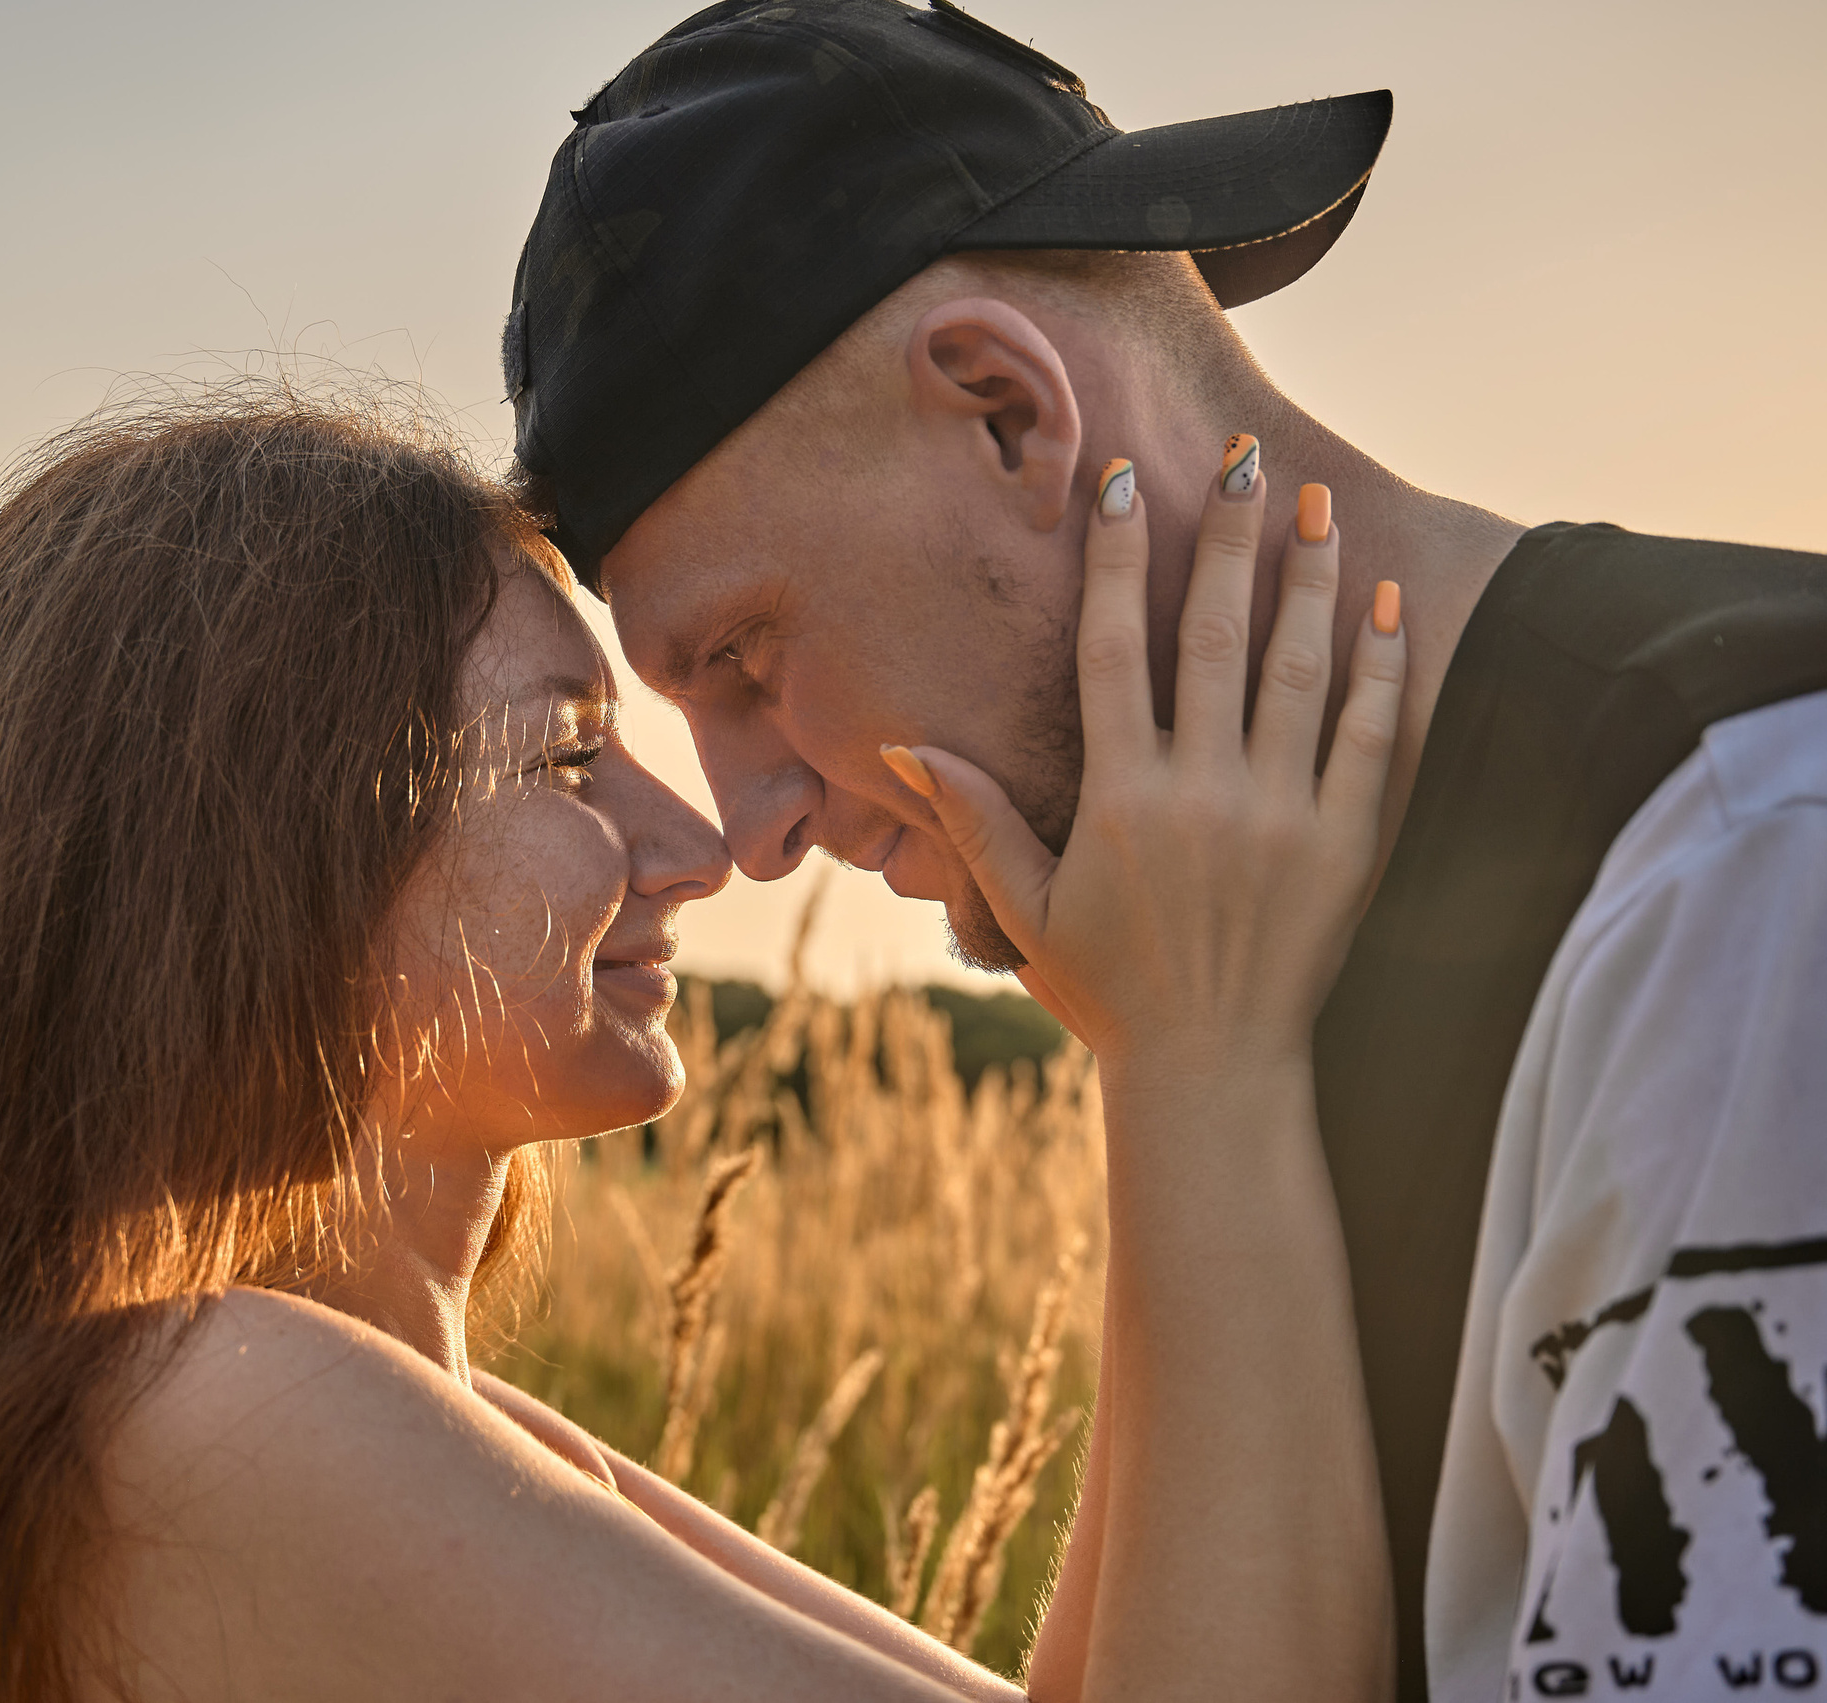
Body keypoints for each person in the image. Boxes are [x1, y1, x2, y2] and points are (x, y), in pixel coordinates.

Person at [0, 384, 1410, 1702]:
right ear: (264, 851)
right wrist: (1201, 1061)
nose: (697, 847)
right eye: (563, 754)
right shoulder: (203, 1417)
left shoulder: (348, 1410)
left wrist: (1156, 1041)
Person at [498, 4, 1827, 1699]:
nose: (752, 830)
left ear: (1004, 413)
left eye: (746, 664)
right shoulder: (1217, 967)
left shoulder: (1755, 868)